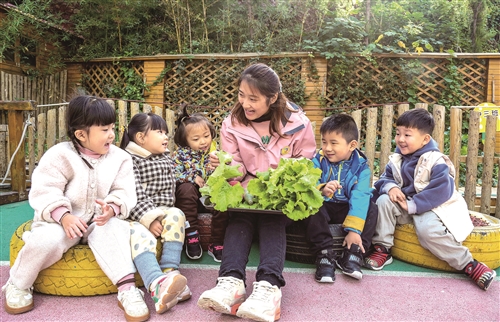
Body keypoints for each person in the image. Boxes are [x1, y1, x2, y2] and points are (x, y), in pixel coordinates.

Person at [2, 95, 150, 321]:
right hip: (61, 222)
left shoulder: (120, 158)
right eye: (104, 130)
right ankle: (18, 283)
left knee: (114, 232)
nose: (112, 134)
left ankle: (128, 289)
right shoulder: (59, 155)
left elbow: (124, 191)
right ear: (81, 134)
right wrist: (64, 216)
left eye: (112, 128)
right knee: (44, 240)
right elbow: (45, 191)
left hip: (100, 221)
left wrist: (112, 208)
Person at [197, 63, 316, 322]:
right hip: (248, 187)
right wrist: (225, 165)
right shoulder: (232, 122)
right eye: (241, 95)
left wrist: (282, 185)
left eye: (253, 98)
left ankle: (269, 289)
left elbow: (305, 164)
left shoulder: (299, 124)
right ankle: (230, 283)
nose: (245, 103)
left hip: (281, 193)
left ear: (272, 98)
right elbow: (237, 167)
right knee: (240, 217)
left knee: (271, 218)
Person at [365, 108, 496, 291]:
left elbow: (441, 191)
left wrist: (413, 205)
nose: (401, 139)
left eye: (407, 135)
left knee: (427, 231)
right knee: (383, 202)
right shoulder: (397, 158)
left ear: (425, 139)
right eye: (398, 133)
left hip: (434, 207)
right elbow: (385, 178)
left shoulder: (436, 160)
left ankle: (470, 265)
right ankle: (382, 249)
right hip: (407, 204)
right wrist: (391, 187)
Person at [120, 112, 190, 315]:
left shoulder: (165, 156)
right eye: (159, 132)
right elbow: (132, 193)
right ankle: (154, 282)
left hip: (163, 210)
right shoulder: (130, 159)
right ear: (141, 138)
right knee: (140, 236)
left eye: (166, 132)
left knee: (177, 214)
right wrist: (149, 219)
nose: (165, 136)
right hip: (136, 213)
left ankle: (170, 272)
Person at [302, 114, 378, 283]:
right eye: (324, 141)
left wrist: (353, 230)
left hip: (347, 208)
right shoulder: (318, 160)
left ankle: (354, 252)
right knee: (312, 206)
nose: (327, 148)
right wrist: (321, 189)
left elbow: (360, 196)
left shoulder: (361, 167)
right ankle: (324, 255)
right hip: (326, 206)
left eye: (333, 143)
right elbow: (309, 183)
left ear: (352, 145)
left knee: (372, 207)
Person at [172, 106, 228, 262]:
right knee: (185, 189)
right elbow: (173, 172)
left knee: (223, 195)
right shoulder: (181, 155)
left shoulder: (216, 154)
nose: (203, 142)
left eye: (206, 136)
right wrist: (191, 177)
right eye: (196, 139)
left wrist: (215, 171)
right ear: (185, 140)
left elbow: (225, 172)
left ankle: (217, 242)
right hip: (190, 201)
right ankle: (192, 236)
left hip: (210, 198)